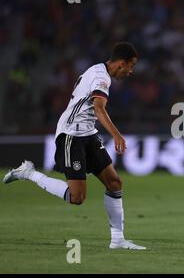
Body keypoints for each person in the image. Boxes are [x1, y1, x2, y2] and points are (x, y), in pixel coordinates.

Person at [3, 42, 146, 250]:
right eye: (131, 66)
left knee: (114, 182)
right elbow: (98, 108)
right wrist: (116, 135)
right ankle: (29, 173)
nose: (131, 71)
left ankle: (117, 240)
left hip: (87, 133)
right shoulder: (101, 78)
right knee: (76, 197)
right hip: (71, 134)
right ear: (121, 63)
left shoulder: (99, 70)